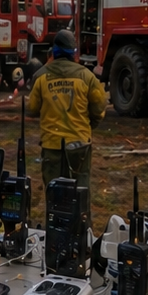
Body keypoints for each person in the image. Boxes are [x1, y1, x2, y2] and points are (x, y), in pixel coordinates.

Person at [24, 30, 106, 189]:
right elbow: (99, 107)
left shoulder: (40, 77)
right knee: (80, 192)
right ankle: (80, 214)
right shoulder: (87, 77)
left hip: (52, 146)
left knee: (54, 194)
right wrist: (89, 126)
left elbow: (32, 108)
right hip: (80, 146)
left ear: (53, 51)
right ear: (74, 53)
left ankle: (55, 214)